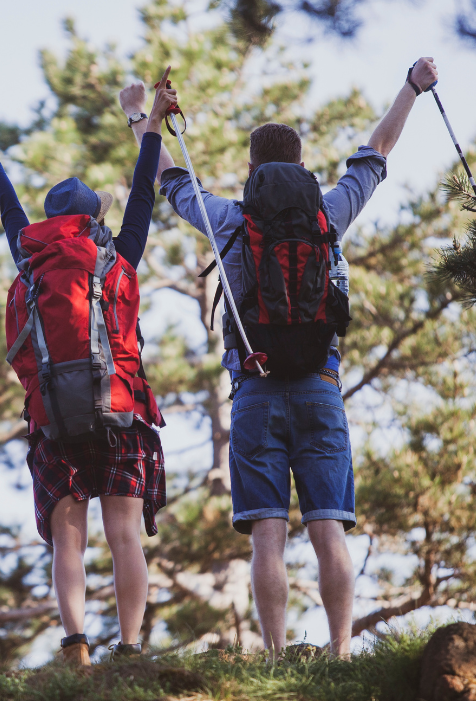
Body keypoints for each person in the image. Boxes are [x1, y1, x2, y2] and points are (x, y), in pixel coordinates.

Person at [121, 57, 440, 658]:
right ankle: (341, 652)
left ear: (250, 168)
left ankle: (272, 654)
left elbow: (167, 179)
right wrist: (411, 88)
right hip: (321, 384)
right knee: (328, 530)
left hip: (254, 389)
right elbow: (377, 152)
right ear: (300, 165)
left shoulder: (230, 221)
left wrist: (142, 117)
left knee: (267, 535)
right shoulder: (329, 216)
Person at [0, 75, 177, 665]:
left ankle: (76, 643)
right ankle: (129, 647)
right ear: (92, 219)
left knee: (68, 539)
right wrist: (151, 122)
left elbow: (8, 204)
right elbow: (142, 195)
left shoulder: (30, 255)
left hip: (54, 415)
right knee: (125, 534)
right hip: (121, 406)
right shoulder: (119, 256)